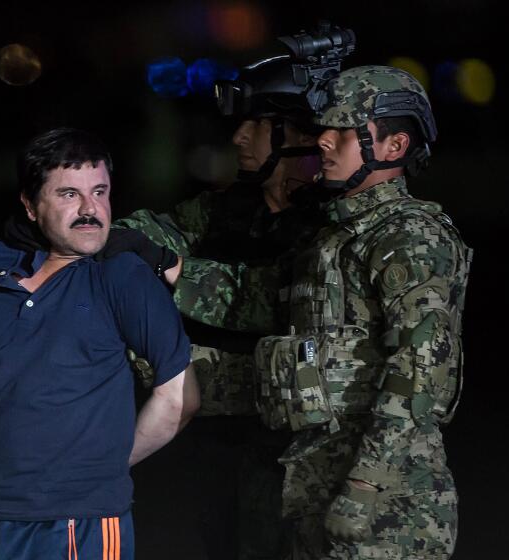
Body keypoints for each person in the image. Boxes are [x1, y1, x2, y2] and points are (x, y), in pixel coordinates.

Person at [177, 66, 472, 559]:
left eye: (343, 131)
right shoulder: (334, 236)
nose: (324, 143)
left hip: (390, 509)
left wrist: (365, 486)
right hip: (315, 489)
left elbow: (420, 372)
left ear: (394, 147)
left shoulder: (409, 235)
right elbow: (294, 348)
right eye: (323, 129)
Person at [110, 54, 326, 559]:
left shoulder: (329, 223)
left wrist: (177, 269)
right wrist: (88, 226)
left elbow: (274, 297)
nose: (239, 137)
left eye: (258, 125)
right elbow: (153, 231)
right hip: (225, 450)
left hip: (298, 454)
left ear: (299, 135)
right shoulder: (233, 207)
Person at [0, 127, 199, 560]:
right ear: (30, 206)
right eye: (68, 194)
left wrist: (103, 470)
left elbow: (180, 397)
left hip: (76, 519)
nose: (91, 209)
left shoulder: (122, 276)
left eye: (99, 191)